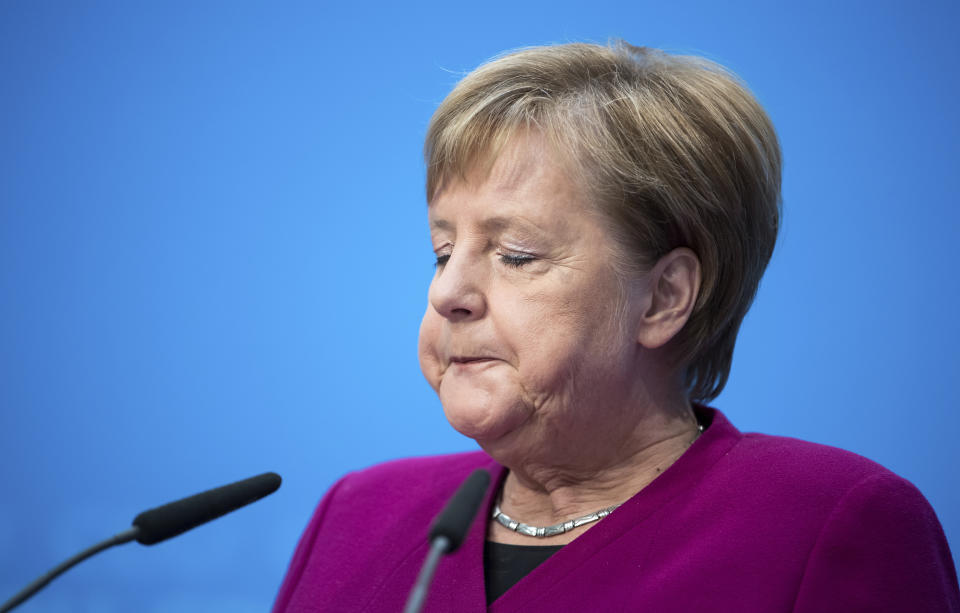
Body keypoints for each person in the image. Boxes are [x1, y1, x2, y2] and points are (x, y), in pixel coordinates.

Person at [272, 41, 959, 612]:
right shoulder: (358, 514)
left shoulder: (832, 523)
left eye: (515, 255)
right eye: (443, 251)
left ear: (663, 297)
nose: (448, 291)